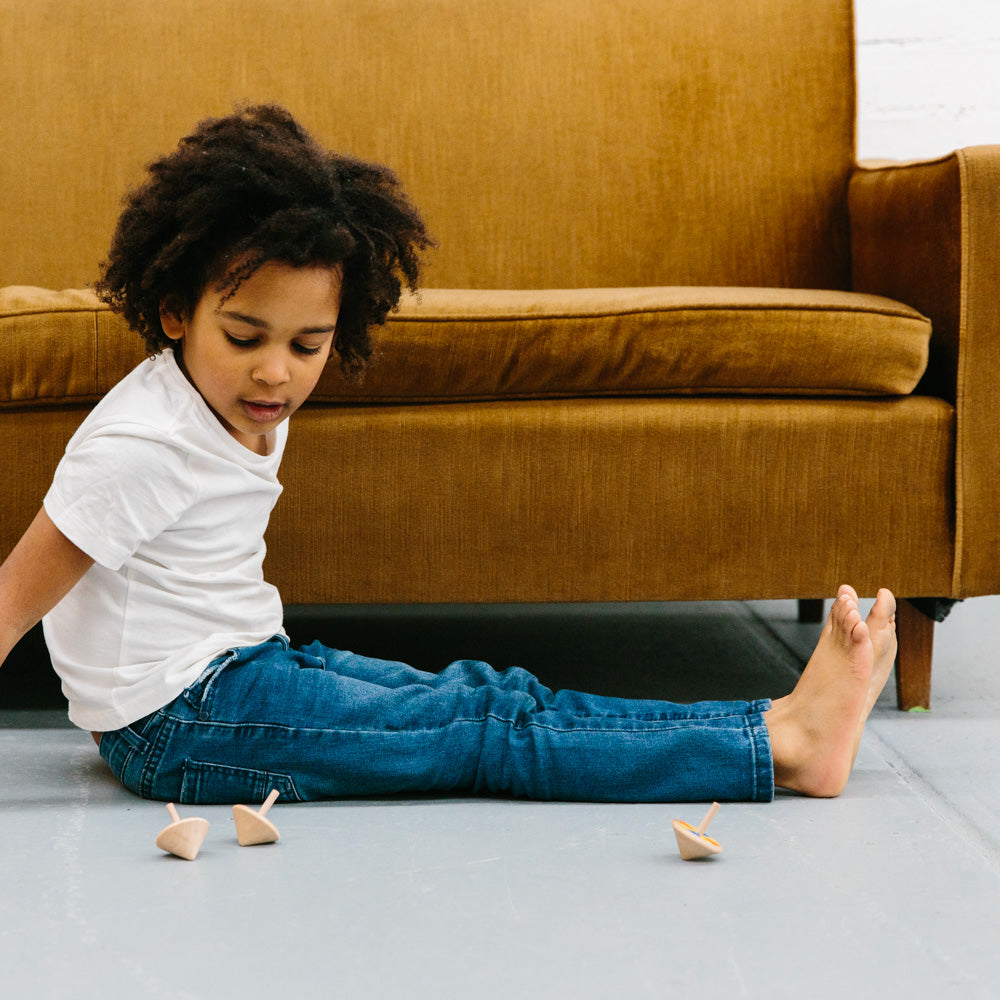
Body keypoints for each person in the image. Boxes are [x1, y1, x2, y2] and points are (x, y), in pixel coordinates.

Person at [0, 105, 897, 805]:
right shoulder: (140, 445)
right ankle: (782, 745)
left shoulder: (237, 393)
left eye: (308, 345)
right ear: (173, 314)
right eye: (244, 336)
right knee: (483, 727)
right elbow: (12, 602)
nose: (275, 371)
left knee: (488, 694)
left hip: (231, 673)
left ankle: (773, 725)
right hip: (182, 724)